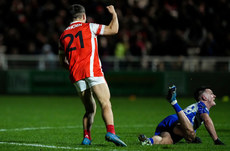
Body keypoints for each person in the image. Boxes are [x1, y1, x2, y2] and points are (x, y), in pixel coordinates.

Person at [59, 4, 127, 146]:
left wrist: (74, 67)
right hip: (92, 70)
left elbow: (63, 62)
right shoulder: (89, 27)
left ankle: (87, 137)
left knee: (90, 109)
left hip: (76, 75)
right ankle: (111, 132)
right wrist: (114, 14)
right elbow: (113, 29)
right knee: (105, 102)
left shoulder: (63, 35)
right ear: (83, 16)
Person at [138, 85, 225, 145]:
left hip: (172, 122)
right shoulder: (202, 106)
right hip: (177, 121)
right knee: (191, 135)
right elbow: (207, 121)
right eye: (211, 94)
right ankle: (174, 102)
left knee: (168, 140)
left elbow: (187, 132)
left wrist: (192, 139)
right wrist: (216, 140)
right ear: (204, 97)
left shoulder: (197, 108)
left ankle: (148, 141)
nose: (214, 95)